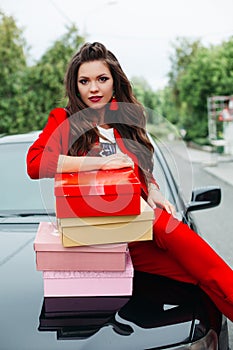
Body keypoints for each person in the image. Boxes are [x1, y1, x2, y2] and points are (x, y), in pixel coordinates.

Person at [27, 42, 233, 321]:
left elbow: (142, 169)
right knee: (207, 271)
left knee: (202, 278)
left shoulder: (128, 119)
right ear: (75, 86)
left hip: (139, 229)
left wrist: (154, 190)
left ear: (115, 81)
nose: (94, 89)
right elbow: (35, 165)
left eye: (102, 79)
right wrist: (99, 162)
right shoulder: (64, 120)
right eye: (84, 81)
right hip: (98, 234)